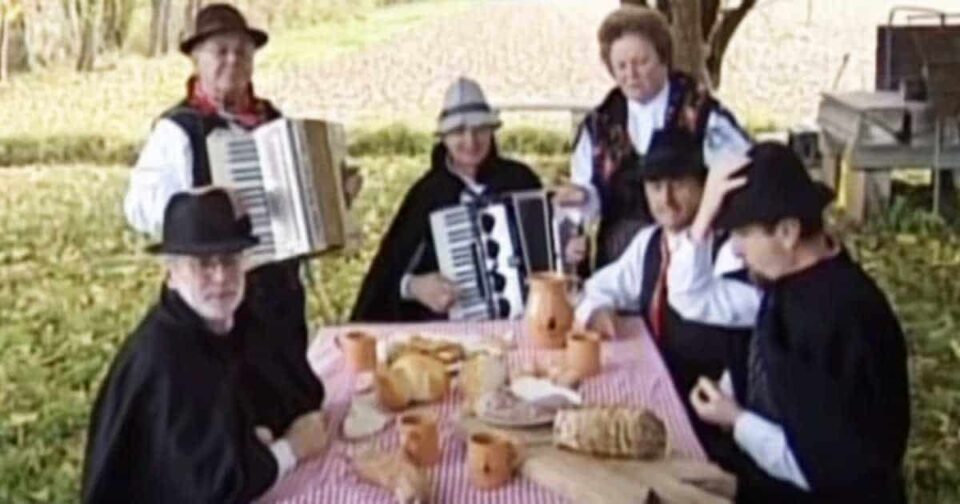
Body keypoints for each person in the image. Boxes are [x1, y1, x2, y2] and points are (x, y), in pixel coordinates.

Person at [123, 3, 334, 435]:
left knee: (290, 400)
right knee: (234, 411)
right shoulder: (178, 130)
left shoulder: (274, 122)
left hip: (278, 290)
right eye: (220, 51)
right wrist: (195, 200)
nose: (232, 60)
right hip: (218, 296)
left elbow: (296, 201)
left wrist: (330, 196)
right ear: (196, 59)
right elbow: (138, 205)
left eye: (241, 51)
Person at [681, 143, 910, 503]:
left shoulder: (832, 317)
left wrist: (737, 420)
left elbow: (820, 467)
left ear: (787, 232)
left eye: (743, 234)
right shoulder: (791, 282)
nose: (737, 249)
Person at [82, 189, 328, 503]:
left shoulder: (224, 323)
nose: (221, 276)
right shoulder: (167, 357)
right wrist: (292, 448)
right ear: (171, 275)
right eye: (202, 264)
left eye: (230, 259)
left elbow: (293, 393)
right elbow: (213, 487)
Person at [574, 128, 758, 456]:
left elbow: (753, 332)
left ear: (704, 186)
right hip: (655, 398)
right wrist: (596, 309)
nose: (667, 199)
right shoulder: (648, 243)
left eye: (679, 184)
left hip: (714, 416)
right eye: (656, 186)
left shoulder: (733, 251)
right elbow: (599, 286)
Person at [562, 5, 750, 269]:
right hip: (620, 257)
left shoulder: (699, 111)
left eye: (641, 62)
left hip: (692, 252)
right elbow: (588, 198)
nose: (631, 74)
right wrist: (580, 198)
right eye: (621, 66)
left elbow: (738, 171)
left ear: (663, 58)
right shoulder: (600, 124)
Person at [351, 77, 543, 321]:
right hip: (443, 333)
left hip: (523, 323)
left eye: (480, 130)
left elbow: (551, 256)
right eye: (458, 132)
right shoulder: (427, 194)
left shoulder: (521, 180)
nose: (470, 141)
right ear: (443, 138)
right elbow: (385, 275)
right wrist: (413, 286)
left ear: (492, 132)